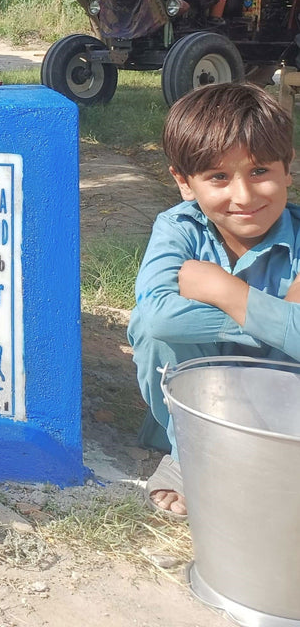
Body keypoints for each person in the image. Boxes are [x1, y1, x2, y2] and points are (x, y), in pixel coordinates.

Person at [128, 82, 300, 519]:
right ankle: (190, 456)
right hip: (198, 399)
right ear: (184, 183)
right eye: (219, 177)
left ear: (288, 169)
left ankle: (266, 458)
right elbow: (160, 318)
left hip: (284, 409)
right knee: (148, 330)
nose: (243, 196)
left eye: (260, 171)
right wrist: (281, 320)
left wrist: (228, 292)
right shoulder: (178, 230)